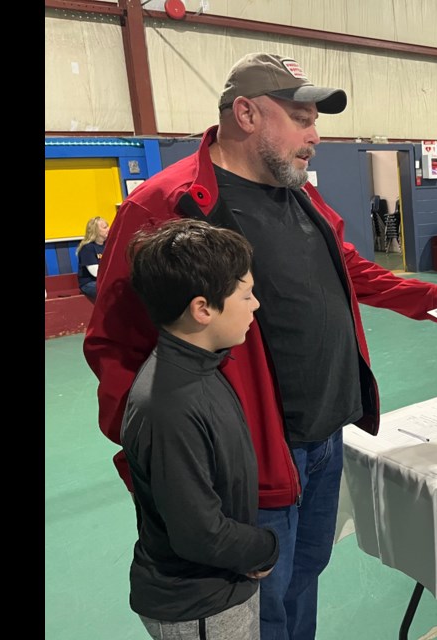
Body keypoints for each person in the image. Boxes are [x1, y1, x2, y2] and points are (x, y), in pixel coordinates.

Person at [83, 52, 437, 640]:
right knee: (262, 605)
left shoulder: (300, 196)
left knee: (302, 579)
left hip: (323, 438)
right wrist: (159, 470)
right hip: (248, 459)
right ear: (245, 113)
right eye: (301, 118)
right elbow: (115, 344)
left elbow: (346, 269)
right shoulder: (166, 207)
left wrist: (428, 297)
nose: (316, 136)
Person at [123, 219, 278, 640]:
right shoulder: (170, 405)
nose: (256, 305)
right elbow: (199, 535)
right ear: (202, 309)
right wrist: (266, 547)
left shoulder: (200, 365)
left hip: (222, 586)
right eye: (246, 294)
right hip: (200, 606)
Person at [76, 216, 109, 302]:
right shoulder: (87, 248)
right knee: (111, 291)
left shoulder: (108, 245)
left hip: (103, 280)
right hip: (89, 283)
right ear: (96, 231)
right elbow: (95, 273)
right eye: (105, 227)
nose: (108, 229)